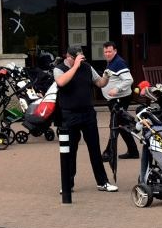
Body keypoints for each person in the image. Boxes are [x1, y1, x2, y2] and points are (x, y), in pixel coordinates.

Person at [52, 44, 114, 202]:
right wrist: (76, 66)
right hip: (69, 114)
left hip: (88, 113)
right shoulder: (59, 68)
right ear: (69, 57)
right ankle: (68, 184)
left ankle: (103, 182)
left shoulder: (87, 67)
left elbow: (99, 83)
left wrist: (107, 76)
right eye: (76, 59)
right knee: (70, 151)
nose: (80, 61)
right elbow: (61, 82)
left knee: (95, 148)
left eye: (81, 58)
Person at [101, 40, 137, 159]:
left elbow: (129, 80)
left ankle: (109, 153)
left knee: (115, 124)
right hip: (115, 99)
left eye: (110, 51)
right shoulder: (111, 62)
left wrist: (116, 89)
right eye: (105, 51)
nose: (107, 54)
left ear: (115, 51)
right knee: (121, 125)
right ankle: (133, 151)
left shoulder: (119, 63)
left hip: (120, 99)